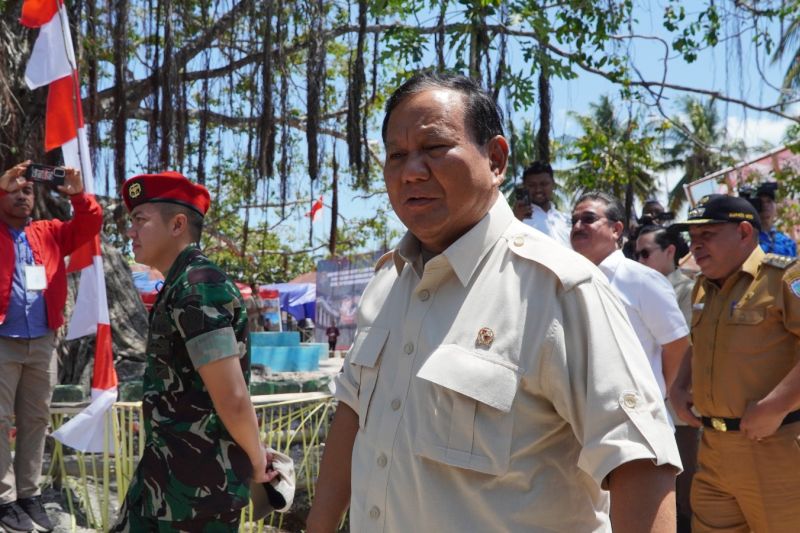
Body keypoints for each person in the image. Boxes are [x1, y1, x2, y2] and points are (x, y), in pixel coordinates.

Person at [307, 72, 681, 533]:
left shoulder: (558, 288)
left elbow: (639, 462)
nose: (411, 171)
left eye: (435, 148)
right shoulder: (386, 284)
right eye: (397, 155)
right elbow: (351, 419)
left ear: (496, 158)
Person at [111, 171, 276, 532]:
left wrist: (257, 458)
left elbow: (231, 396)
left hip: (196, 495)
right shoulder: (181, 285)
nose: (130, 232)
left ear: (178, 224)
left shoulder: (200, 288)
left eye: (140, 220)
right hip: (166, 483)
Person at [669, 194, 800, 532]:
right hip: (713, 452)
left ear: (744, 232)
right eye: (692, 239)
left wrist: (776, 406)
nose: (695, 247)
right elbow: (699, 343)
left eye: (707, 236)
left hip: (775, 450)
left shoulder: (782, 278)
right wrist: (680, 384)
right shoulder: (703, 287)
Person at [0, 160, 102, 533]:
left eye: (27, 190)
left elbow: (90, 225)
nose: (22, 195)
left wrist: (78, 195)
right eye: (14, 190)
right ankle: (4, 499)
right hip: (2, 343)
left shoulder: (50, 232)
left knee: (35, 421)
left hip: (42, 342)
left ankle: (29, 495)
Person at [570, 192, 691, 400]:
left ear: (616, 229)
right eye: (574, 221)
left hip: (636, 419)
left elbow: (677, 345)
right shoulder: (571, 281)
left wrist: (654, 394)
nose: (578, 226)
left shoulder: (643, 280)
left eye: (588, 219)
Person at [635, 225, 697, 532]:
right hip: (648, 410)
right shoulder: (638, 286)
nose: (639, 260)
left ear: (670, 251)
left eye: (646, 253)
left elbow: (681, 346)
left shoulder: (687, 289)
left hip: (678, 411)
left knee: (686, 498)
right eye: (635, 254)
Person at [512, 160, 571, 246]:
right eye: (532, 185)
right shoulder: (517, 220)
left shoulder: (566, 220)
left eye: (544, 184)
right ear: (524, 186)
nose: (538, 190)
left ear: (553, 184)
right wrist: (515, 221)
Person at [754, 183, 797, 257]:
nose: (765, 205)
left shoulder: (787, 243)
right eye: (760, 202)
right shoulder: (748, 240)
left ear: (776, 207)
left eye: (769, 201)